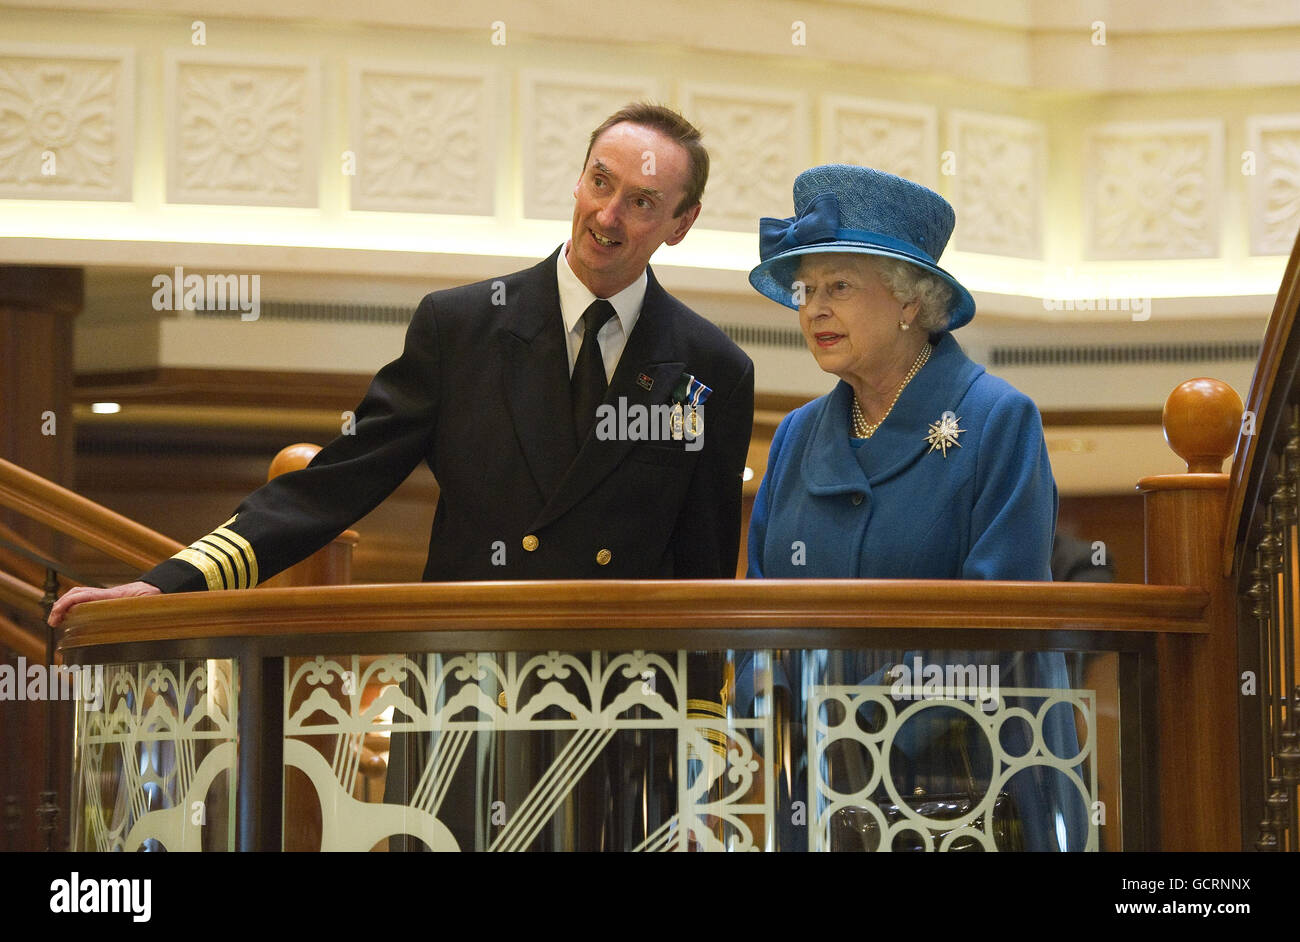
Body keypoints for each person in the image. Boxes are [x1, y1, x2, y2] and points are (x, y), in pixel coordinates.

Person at [50, 103, 756, 851]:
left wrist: (703, 738)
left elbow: (702, 572)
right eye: (599, 182)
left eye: (642, 202)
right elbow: (336, 481)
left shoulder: (712, 369)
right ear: (579, 180)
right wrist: (169, 583)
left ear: (682, 221)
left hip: (621, 721)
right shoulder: (462, 328)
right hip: (462, 701)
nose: (608, 215)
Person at [743, 164, 1087, 851]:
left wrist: (859, 715)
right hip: (821, 798)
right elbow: (761, 605)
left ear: (908, 302)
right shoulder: (794, 436)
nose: (812, 308)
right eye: (806, 288)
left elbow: (1001, 614)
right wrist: (764, 704)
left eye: (838, 287)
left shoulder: (997, 420)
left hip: (971, 793)